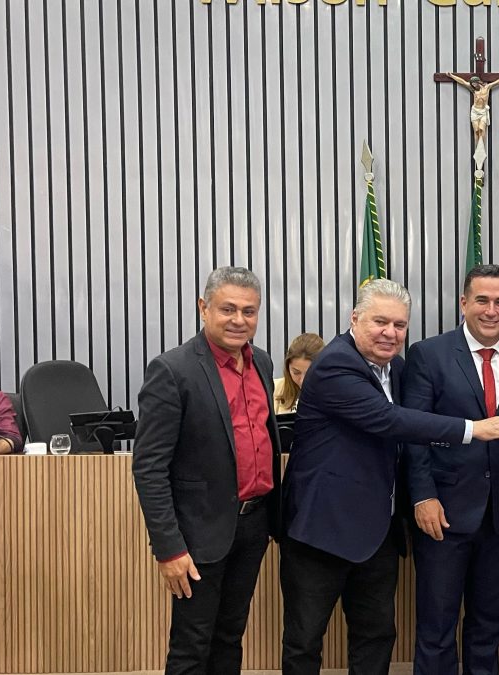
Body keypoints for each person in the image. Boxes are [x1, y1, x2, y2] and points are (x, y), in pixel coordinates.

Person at [279, 278, 499, 675]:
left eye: (399, 325)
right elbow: (390, 421)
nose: (390, 333)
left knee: (376, 637)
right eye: (380, 322)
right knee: (305, 641)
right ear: (354, 319)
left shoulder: (396, 366)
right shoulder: (335, 363)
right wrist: (472, 429)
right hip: (322, 529)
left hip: (377, 531)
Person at [401, 264, 499, 675]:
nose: (491, 310)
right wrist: (423, 495)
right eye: (482, 301)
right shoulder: (428, 355)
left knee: (489, 622)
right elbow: (413, 433)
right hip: (444, 511)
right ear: (463, 304)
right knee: (437, 625)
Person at [132, 266, 283, 674]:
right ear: (203, 308)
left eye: (249, 312)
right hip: (198, 534)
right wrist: (169, 548)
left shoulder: (262, 364)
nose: (239, 321)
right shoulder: (173, 370)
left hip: (253, 526)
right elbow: (149, 467)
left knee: (230, 637)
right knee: (191, 647)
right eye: (228, 309)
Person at [446, 72, 499, 148]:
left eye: (475, 83)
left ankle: (482, 146)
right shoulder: (472, 89)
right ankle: (477, 148)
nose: (474, 85)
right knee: (476, 131)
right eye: (472, 84)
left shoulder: (487, 87)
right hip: (475, 111)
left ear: (478, 82)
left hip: (483, 112)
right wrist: (451, 76)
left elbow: (498, 81)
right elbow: (462, 82)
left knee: (481, 129)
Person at [274, 332, 325, 414]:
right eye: (296, 372)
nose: (302, 380)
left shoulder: (338, 392)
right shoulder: (273, 389)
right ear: (288, 368)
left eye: (310, 374)